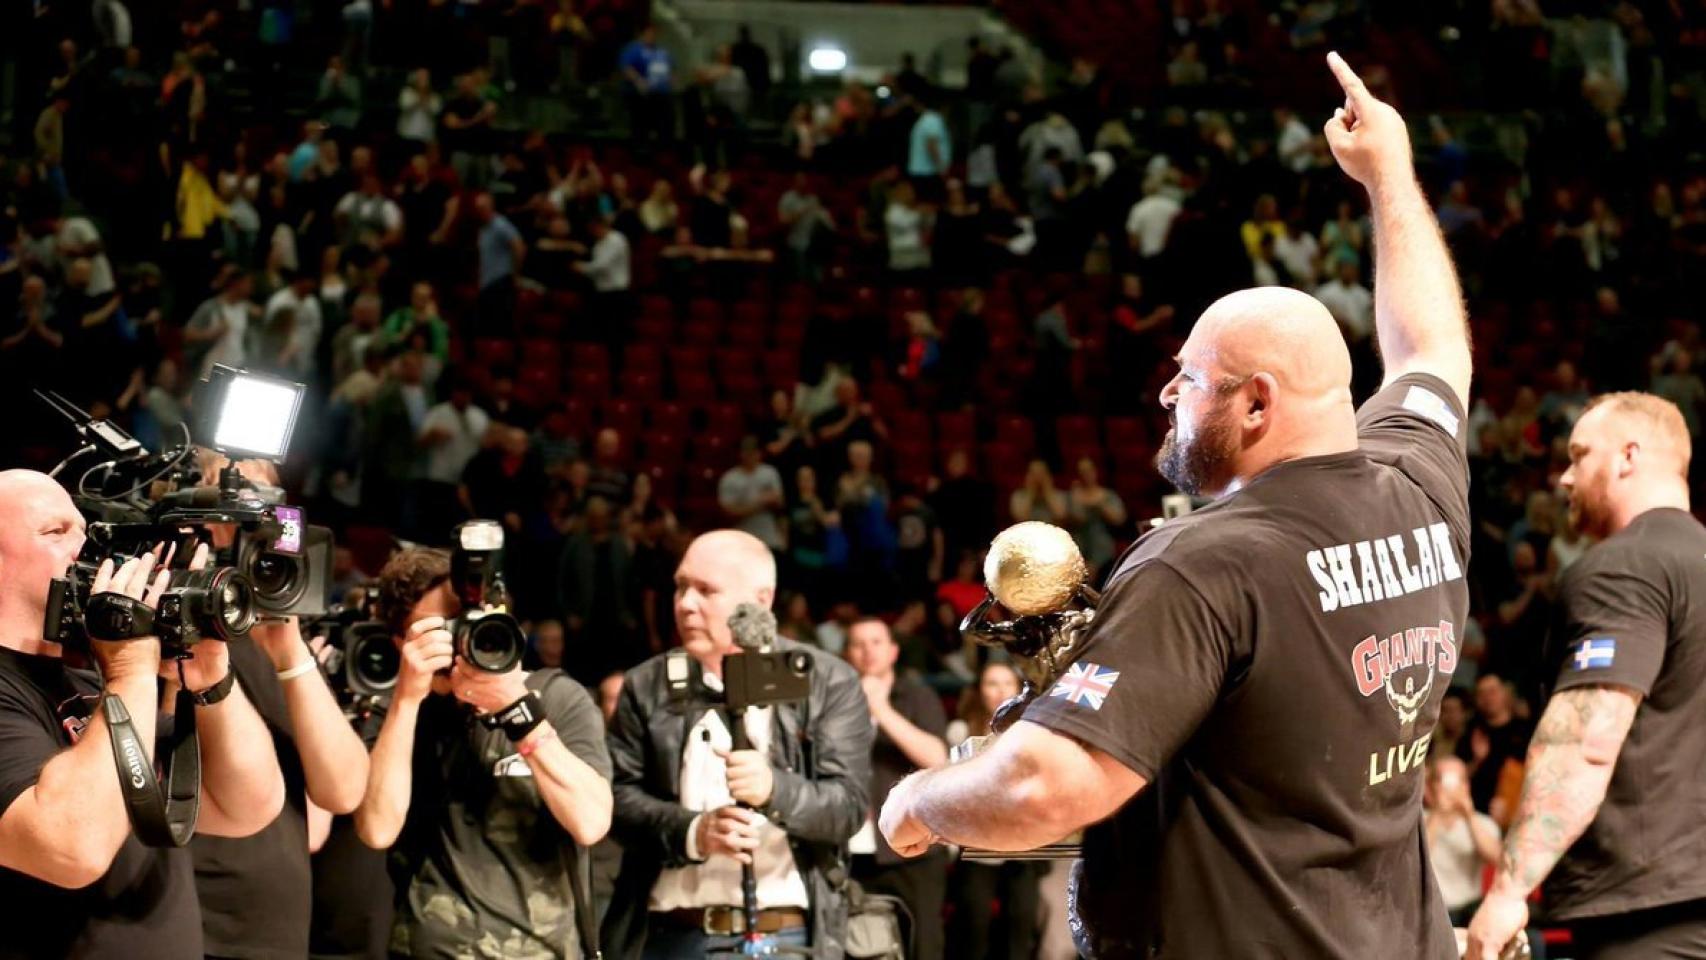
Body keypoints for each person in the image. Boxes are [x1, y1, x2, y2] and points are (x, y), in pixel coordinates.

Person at [878, 53, 1474, 958]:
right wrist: (1389, 171)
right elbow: (1431, 347)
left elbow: (1050, 788)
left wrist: (916, 803)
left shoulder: (1205, 563)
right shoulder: (1421, 483)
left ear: (1259, 403)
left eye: (1190, 377)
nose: (1168, 395)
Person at [0, 469, 286, 959]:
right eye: (55, 532)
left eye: (84, 529)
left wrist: (211, 680)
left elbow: (247, 806)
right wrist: (132, 668)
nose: (86, 548)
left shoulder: (98, 675)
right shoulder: (111, 674)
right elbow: (73, 851)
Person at [1467, 393, 1706, 960]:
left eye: (1579, 456)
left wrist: (1507, 891)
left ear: (1628, 456)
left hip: (1650, 917)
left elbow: (1585, 740)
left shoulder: (1622, 568)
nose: (1564, 477)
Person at [602, 530, 873, 960]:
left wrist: (773, 790)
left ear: (761, 599)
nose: (685, 603)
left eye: (706, 590)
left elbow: (849, 807)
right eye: (681, 586)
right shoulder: (647, 684)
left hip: (786, 936)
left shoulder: (825, 680)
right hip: (672, 935)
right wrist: (693, 831)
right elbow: (614, 800)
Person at [355, 546, 613, 958]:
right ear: (401, 641)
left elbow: (591, 822)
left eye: (465, 624)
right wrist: (405, 699)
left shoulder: (557, 697)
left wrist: (517, 709)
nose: (459, 641)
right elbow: (377, 829)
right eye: (438, 630)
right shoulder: (396, 714)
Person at [844, 617, 949, 960]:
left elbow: (937, 758)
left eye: (876, 642)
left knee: (921, 942)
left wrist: (881, 709)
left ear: (892, 651)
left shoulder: (917, 695)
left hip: (912, 847)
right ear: (848, 654)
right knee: (858, 945)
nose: (867, 651)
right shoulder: (836, 701)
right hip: (851, 849)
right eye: (859, 644)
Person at [1424, 757, 1501, 926]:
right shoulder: (1418, 822)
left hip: (1470, 911)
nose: (1452, 788)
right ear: (1430, 787)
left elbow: (1496, 859)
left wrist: (1469, 815)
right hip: (1430, 911)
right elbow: (1417, 857)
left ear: (1467, 785)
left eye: (1459, 780)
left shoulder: (1483, 824)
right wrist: (1437, 813)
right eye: (1444, 781)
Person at [1455, 672, 1531, 813]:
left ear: (1505, 694)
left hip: (1514, 809)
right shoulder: (1471, 732)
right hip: (1474, 813)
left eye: (1492, 691)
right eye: (1481, 693)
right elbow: (1457, 776)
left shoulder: (1525, 730)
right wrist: (1477, 760)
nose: (1488, 698)